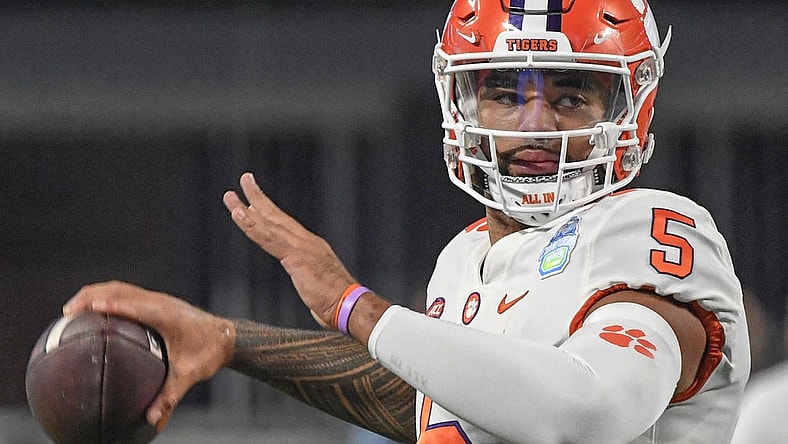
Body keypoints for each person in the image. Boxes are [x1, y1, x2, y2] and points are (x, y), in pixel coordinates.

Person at [62, 0, 750, 443]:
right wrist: (229, 339)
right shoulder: (464, 257)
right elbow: (438, 407)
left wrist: (351, 305)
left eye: (570, 95)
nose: (535, 123)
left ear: (633, 108)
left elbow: (586, 412)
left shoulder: (654, 228)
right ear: (460, 105)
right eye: (505, 93)